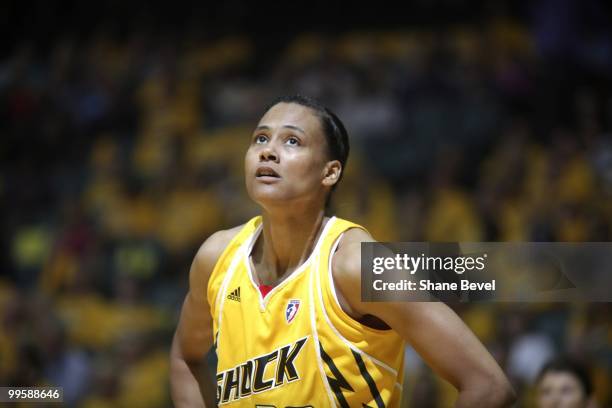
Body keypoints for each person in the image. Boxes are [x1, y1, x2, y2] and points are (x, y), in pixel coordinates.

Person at [169, 95, 516, 407]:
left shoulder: (355, 264)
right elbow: (185, 358)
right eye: (261, 138)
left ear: (330, 172)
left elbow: (487, 385)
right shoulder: (217, 258)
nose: (268, 150)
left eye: (292, 141)